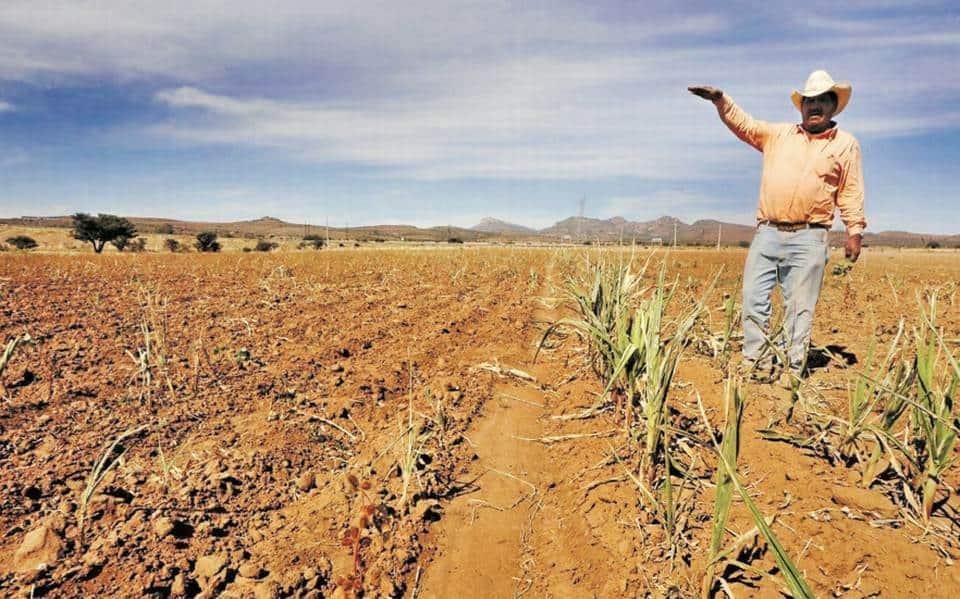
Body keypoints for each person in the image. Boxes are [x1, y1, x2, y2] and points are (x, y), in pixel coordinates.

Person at [688, 70, 865, 382]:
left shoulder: (846, 145)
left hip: (811, 237)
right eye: (809, 100)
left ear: (832, 106)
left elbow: (849, 190)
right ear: (801, 106)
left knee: (800, 307)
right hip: (768, 233)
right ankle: (755, 363)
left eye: (822, 100)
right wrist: (720, 101)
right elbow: (745, 125)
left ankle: (790, 370)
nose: (814, 105)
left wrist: (855, 230)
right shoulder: (778, 135)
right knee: (753, 298)